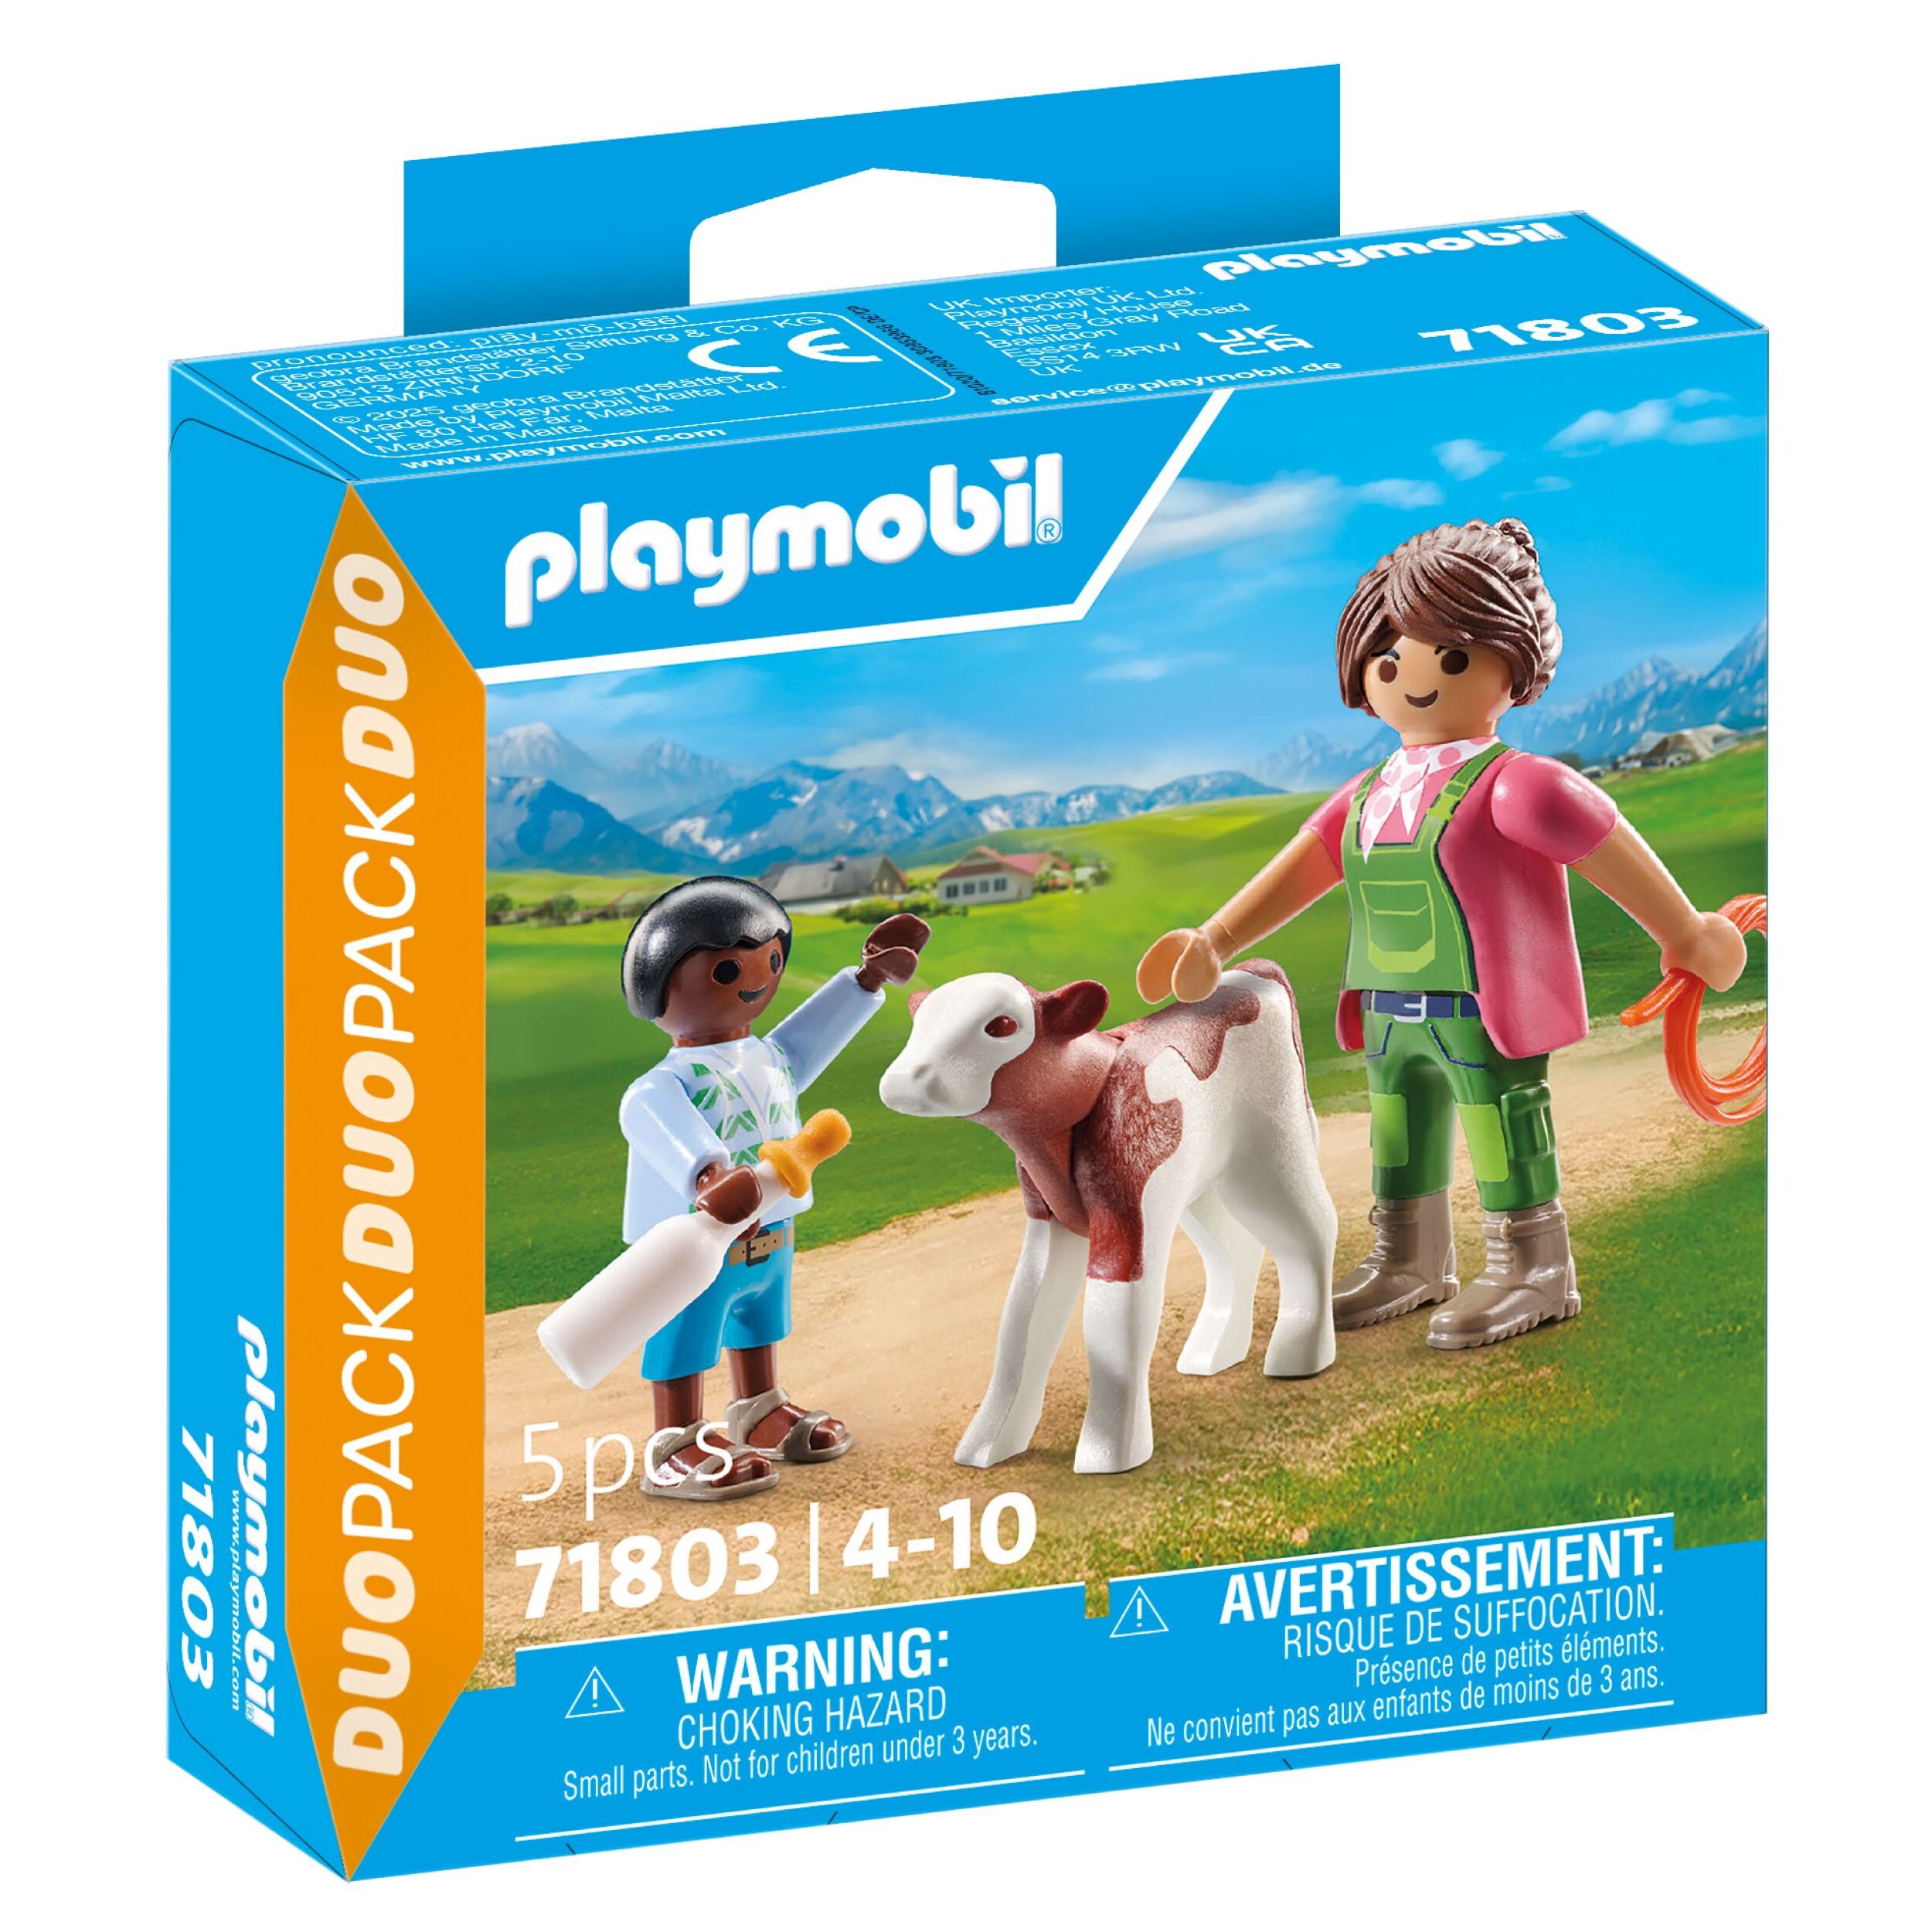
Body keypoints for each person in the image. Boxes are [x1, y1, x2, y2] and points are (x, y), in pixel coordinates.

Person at [1138, 518, 1746, 1349]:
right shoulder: (1365, 795)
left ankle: (1534, 1266)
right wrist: (1214, 939)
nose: (1413, 679)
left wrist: (1686, 930)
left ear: (1513, 661)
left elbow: (1602, 839)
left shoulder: (1516, 786)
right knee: (1399, 1130)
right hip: (1387, 1006)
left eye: (1452, 657)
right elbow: (1303, 867)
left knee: (1505, 1125)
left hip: (1482, 1006)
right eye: (1389, 661)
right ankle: (1408, 1257)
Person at [617, 876, 928, 1497]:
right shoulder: (665, 1082)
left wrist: (866, 980)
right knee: (685, 1327)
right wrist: (708, 1172)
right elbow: (648, 1117)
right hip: (694, 1237)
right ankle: (674, 1439)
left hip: (771, 1225)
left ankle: (758, 1409)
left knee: (758, 1315)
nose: (758, 980)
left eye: (773, 960)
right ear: (660, 983)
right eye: (729, 969)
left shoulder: (769, 1059)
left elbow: (812, 1036)